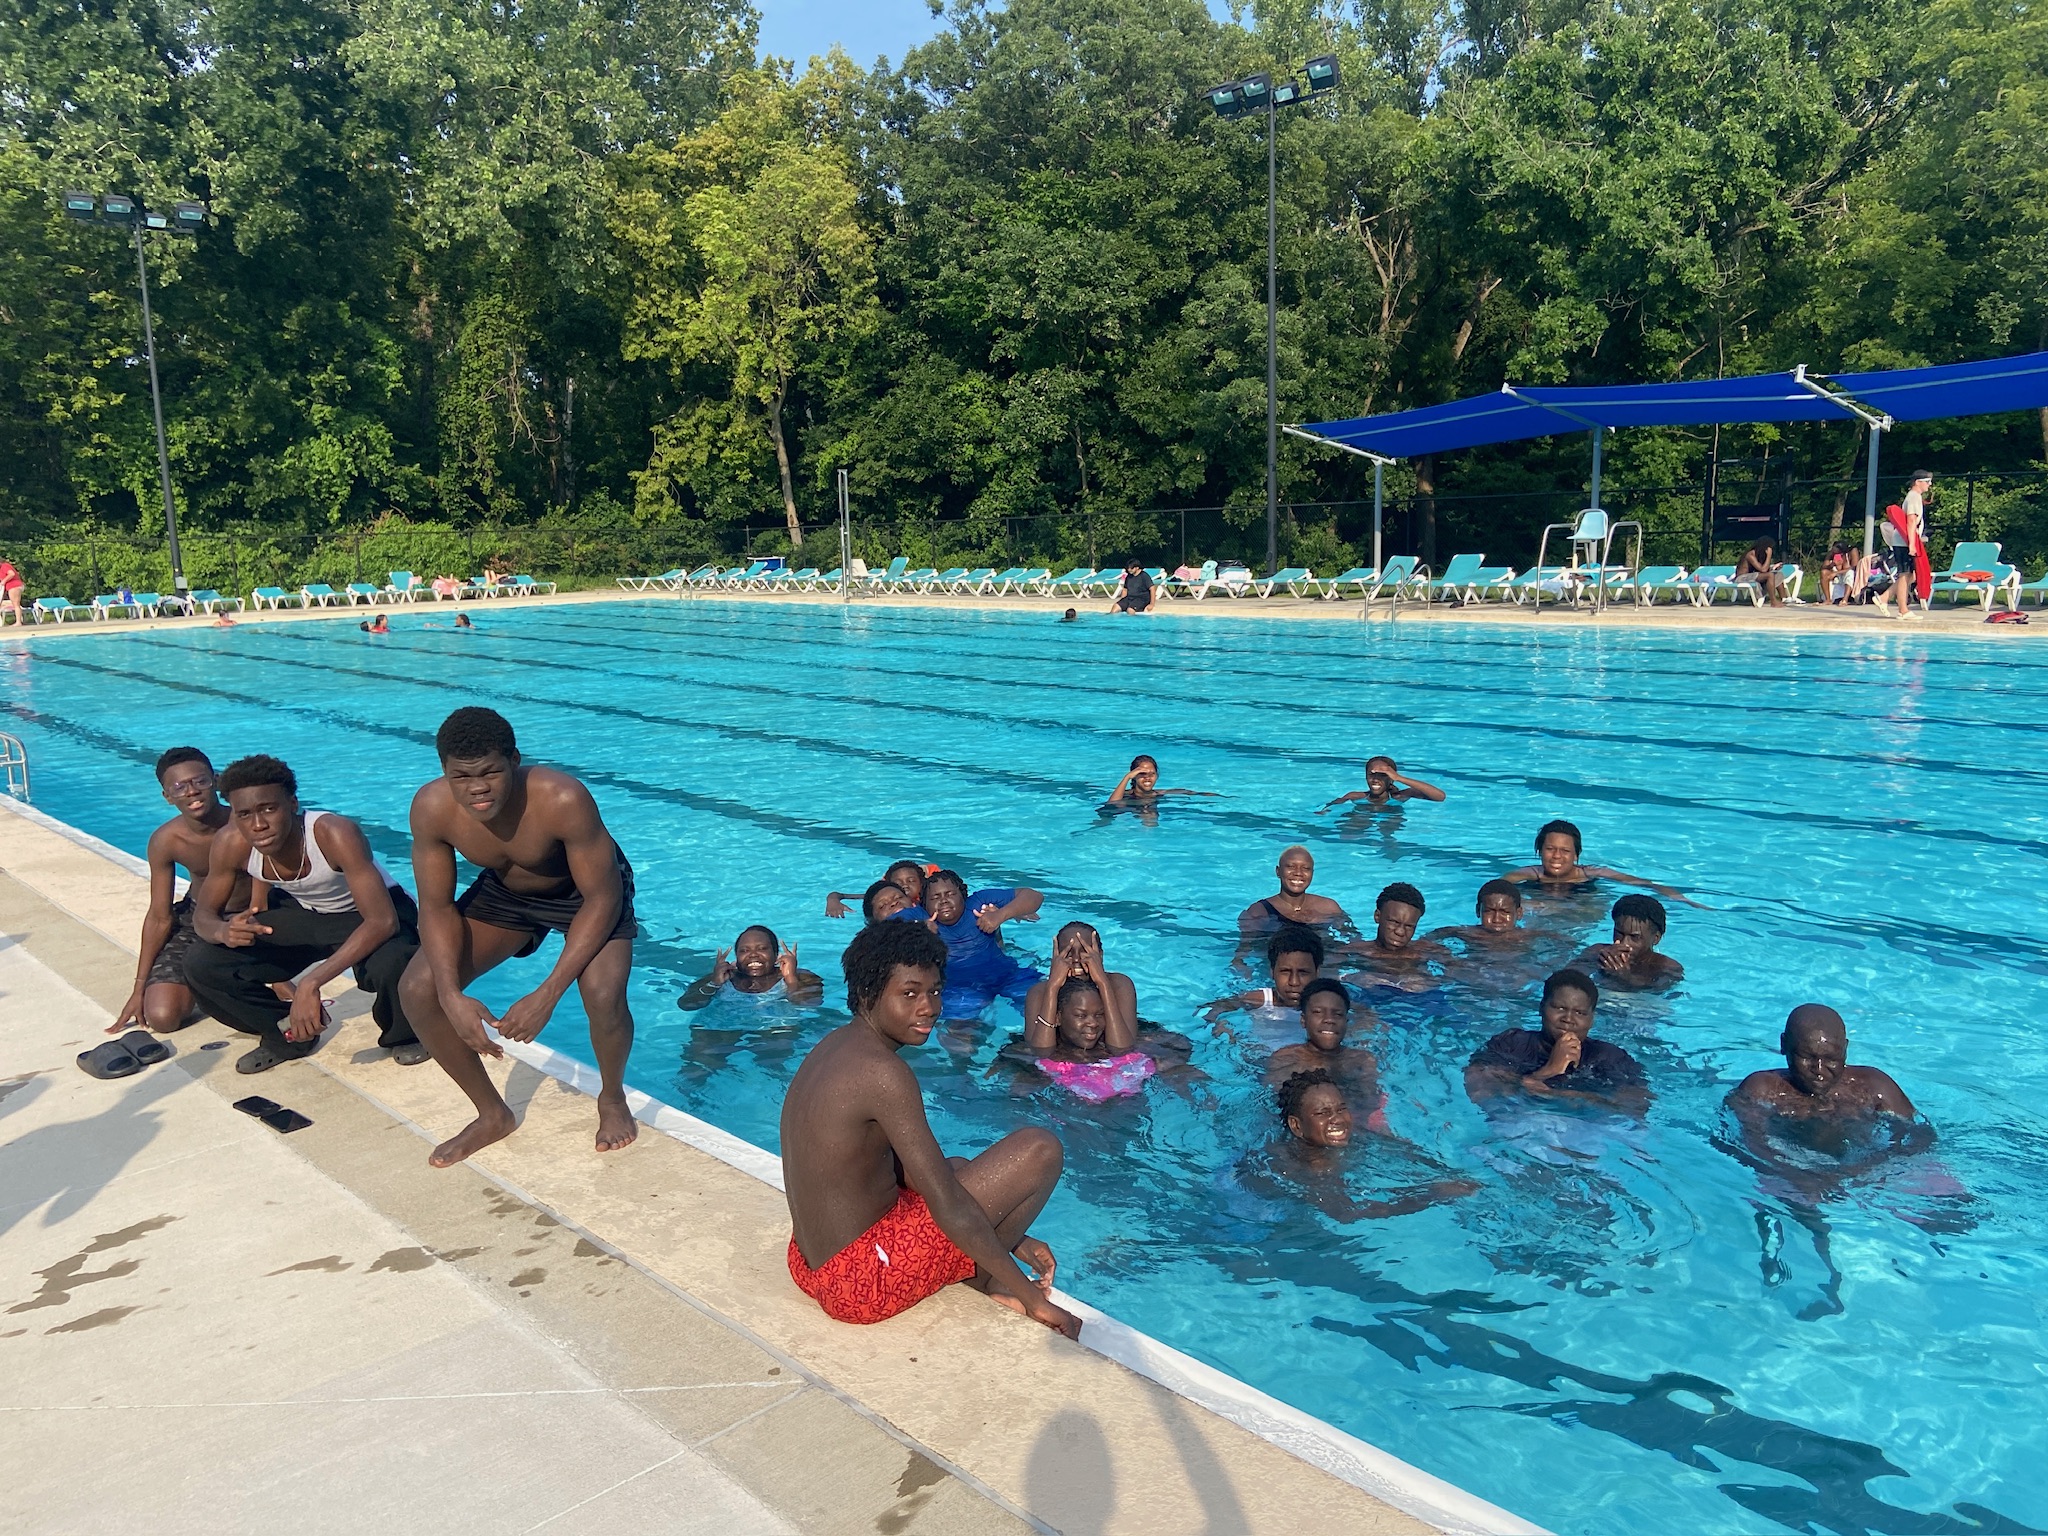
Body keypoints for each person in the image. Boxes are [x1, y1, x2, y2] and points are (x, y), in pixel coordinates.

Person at [779, 922, 1079, 1334]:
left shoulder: (836, 1045)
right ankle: (982, 1279)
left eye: (935, 991)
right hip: (861, 1282)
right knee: (1039, 1148)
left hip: (811, 1263)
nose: (929, 1007)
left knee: (953, 1165)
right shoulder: (884, 1073)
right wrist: (1033, 1301)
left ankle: (984, 1264)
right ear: (869, 993)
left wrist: (1015, 1239)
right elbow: (949, 1205)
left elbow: (916, 1175)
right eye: (909, 993)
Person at [397, 707, 639, 1166]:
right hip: (506, 892)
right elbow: (435, 906)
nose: (477, 788)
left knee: (603, 995)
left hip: (584, 892)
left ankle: (611, 1097)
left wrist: (546, 994)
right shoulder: (432, 809)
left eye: (489, 771)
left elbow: (602, 899)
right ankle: (492, 1114)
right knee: (419, 988)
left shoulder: (561, 798)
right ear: (444, 773)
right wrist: (451, 995)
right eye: (461, 777)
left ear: (514, 759)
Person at [184, 755, 423, 1075]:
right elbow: (204, 915)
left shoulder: (333, 832)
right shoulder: (231, 843)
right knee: (203, 963)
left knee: (393, 962)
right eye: (244, 814)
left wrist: (311, 982)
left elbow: (383, 921)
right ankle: (288, 1032)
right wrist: (221, 932)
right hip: (309, 913)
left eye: (269, 808)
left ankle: (404, 1034)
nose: (258, 824)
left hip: (374, 912)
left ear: (293, 804)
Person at [109, 748, 246, 1036]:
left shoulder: (246, 821)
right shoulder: (166, 840)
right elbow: (160, 917)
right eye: (179, 787)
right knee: (162, 1017)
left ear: (216, 781)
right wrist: (139, 987)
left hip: (256, 912)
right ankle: (209, 976)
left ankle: (228, 971)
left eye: (200, 782)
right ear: (167, 796)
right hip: (200, 916)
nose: (192, 792)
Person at [1252, 1070, 1474, 1222]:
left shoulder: (1351, 1136)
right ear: (1297, 1126)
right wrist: (1431, 1194)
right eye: (1322, 1113)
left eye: (1341, 1109)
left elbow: (1405, 1153)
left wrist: (1451, 1174)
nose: (1338, 1119)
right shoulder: (1302, 1168)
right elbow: (1347, 1214)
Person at [1464, 969, 1649, 1114]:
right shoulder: (1510, 1044)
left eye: (1580, 1013)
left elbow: (1636, 1107)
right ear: (1541, 1008)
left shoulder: (1609, 1058)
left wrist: (1556, 1095)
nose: (1568, 1018)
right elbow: (1478, 1091)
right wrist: (1547, 1071)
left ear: (1592, 1019)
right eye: (1559, 1008)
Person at [993, 974, 1193, 1102]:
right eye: (1081, 1016)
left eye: (1100, 1015)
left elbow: (1180, 1046)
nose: (1092, 1023)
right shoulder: (1038, 1058)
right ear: (1058, 1017)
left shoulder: (1134, 1046)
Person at [1726, 1004, 1919, 1137]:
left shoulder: (1873, 1085)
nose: (1819, 1070)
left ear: (1845, 1050)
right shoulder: (1763, 1090)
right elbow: (1752, 1144)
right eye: (1807, 1057)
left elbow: (1918, 1135)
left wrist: (1871, 1170)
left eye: (1831, 1059)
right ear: (1784, 1045)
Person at [921, 869, 1042, 1017]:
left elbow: (1034, 896)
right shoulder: (922, 920)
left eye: (950, 894)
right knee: (959, 1032)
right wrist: (917, 929)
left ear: (963, 895)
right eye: (935, 897)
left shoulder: (977, 903)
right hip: (960, 988)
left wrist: (999, 916)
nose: (944, 900)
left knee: (1041, 1004)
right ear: (925, 905)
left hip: (1006, 975)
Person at [1503, 819, 1689, 901]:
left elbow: (1644, 884)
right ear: (1540, 851)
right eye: (1550, 849)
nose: (1557, 856)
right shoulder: (1527, 875)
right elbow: (1496, 888)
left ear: (1576, 855)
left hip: (1580, 910)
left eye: (1565, 850)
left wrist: (1683, 900)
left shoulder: (1592, 873)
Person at [1021, 923, 1138, 1046]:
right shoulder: (1039, 992)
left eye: (1085, 951)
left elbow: (1122, 1048)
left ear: (1100, 956)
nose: (1076, 959)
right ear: (1056, 957)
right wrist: (1052, 988)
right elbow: (1039, 1051)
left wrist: (1103, 983)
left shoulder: (1119, 985)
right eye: (1068, 952)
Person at [678, 925, 824, 1010]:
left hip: (776, 1028)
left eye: (762, 948)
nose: (753, 955)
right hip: (724, 1028)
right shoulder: (721, 978)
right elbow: (686, 1005)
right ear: (736, 956)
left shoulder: (802, 977)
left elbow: (809, 1005)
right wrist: (714, 984)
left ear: (776, 955)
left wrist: (791, 979)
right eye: (744, 950)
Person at [1207, 924, 1324, 1030]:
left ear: (1317, 973)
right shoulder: (1257, 1000)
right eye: (1285, 971)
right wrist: (1219, 1026)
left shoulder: (1328, 1006)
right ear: (1272, 972)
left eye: (1303, 972)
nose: (1294, 982)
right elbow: (1210, 1011)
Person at [1235, 845, 1352, 937]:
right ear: (1278, 871)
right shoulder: (1259, 912)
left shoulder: (1329, 907)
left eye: (1305, 868)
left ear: (1312, 874)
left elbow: (1353, 938)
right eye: (1291, 866)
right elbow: (1243, 952)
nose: (1298, 873)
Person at [1574, 894, 1684, 989]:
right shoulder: (1597, 952)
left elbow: (1657, 992)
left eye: (1634, 937)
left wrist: (1625, 978)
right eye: (1619, 933)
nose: (1624, 943)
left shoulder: (1667, 967)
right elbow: (1569, 977)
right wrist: (1598, 965)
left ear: (1656, 938)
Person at [1879, 473, 1932, 619]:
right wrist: (1913, 545)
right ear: (1918, 482)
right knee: (1904, 575)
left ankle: (1884, 597)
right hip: (1905, 541)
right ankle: (1903, 610)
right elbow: (1911, 521)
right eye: (1927, 481)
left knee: (1911, 575)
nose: (1930, 485)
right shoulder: (1914, 497)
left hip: (1904, 540)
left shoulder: (1913, 496)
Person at [1317, 755, 1446, 813]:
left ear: (1391, 778)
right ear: (1366, 776)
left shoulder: (1400, 796)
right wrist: (1324, 811)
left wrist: (1399, 777)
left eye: (1383, 775)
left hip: (1391, 816)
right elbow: (1331, 805)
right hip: (1363, 814)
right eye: (1372, 775)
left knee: (1389, 830)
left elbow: (1440, 797)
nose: (1375, 780)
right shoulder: (1355, 796)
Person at [826, 858, 928, 919]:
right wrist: (832, 900)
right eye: (898, 883)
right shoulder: (884, 899)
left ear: (922, 883)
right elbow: (840, 895)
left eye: (911, 881)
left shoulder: (929, 900)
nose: (905, 885)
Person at [1106, 754, 1213, 807]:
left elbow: (1186, 792)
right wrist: (1126, 777)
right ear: (1134, 776)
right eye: (1142, 774)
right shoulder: (1124, 795)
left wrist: (1204, 794)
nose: (1147, 777)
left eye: (1152, 774)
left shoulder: (1160, 793)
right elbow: (1112, 804)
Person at [1733, 538, 1788, 606]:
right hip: (1742, 578)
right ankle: (1773, 601)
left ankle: (1784, 598)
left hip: (1753, 575)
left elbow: (1763, 569)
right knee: (1770, 575)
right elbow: (1763, 570)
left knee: (1778, 574)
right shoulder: (1751, 555)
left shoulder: (1760, 555)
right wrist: (1769, 556)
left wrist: (1773, 567)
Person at [0, 556, 24, 625]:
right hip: (11, 587)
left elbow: (11, 574)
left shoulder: (4, 566)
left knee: (16, 604)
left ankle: (18, 622)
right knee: (15, 604)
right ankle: (18, 621)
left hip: (14, 586)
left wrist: (4, 581)